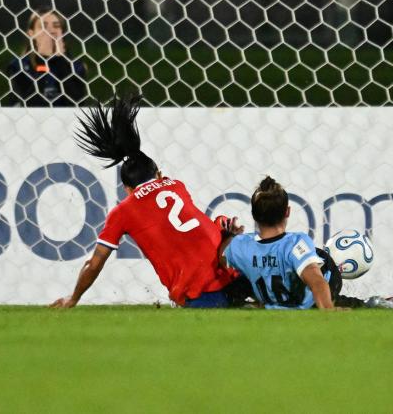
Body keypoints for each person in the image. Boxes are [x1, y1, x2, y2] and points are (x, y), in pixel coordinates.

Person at [50, 94, 250, 308]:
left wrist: (74, 298)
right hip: (237, 277)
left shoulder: (123, 211)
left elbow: (95, 262)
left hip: (201, 294)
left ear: (127, 189)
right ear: (159, 173)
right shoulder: (175, 185)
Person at [219, 176, 393, 310]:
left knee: (244, 279)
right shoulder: (296, 242)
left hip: (308, 280)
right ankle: (371, 304)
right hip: (310, 291)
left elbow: (222, 256)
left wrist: (230, 235)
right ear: (287, 212)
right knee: (314, 279)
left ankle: (257, 303)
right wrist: (328, 310)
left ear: (254, 215)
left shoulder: (240, 245)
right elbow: (315, 279)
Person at [7, 7, 87, 106]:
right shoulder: (19, 66)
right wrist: (42, 60)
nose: (51, 31)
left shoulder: (76, 66)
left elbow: (76, 104)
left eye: (56, 26)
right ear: (32, 34)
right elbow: (29, 105)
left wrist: (60, 60)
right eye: (43, 26)